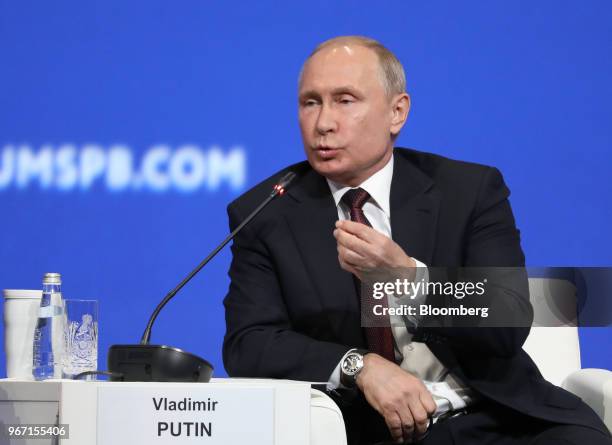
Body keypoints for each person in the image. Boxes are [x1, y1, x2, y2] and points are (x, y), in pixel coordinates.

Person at [222, 36, 611, 444]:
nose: (323, 123)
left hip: (496, 415)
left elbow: (507, 321)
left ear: (397, 112)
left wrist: (408, 279)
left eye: (345, 100)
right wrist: (359, 365)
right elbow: (249, 343)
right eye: (310, 102)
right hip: (370, 429)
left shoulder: (468, 191)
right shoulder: (267, 211)